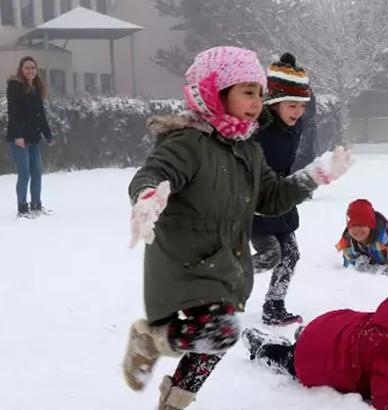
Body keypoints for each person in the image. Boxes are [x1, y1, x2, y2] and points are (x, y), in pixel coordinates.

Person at [120, 46, 350, 410]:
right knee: (222, 332)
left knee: (216, 343)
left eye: (260, 93)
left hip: (226, 265)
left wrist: (313, 176)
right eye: (247, 92)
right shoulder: (188, 142)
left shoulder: (248, 151)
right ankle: (152, 340)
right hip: (188, 264)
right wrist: (148, 197)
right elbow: (154, 172)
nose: (257, 102)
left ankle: (173, 401)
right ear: (215, 92)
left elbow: (270, 197)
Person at [241, 258, 388, 410]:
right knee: (290, 359)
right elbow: (387, 400)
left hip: (336, 328)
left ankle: (305, 336)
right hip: (319, 357)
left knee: (321, 340)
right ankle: (263, 347)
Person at [251, 52, 312, 326]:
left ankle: (274, 305)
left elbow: (307, 103)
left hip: (282, 198)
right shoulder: (259, 126)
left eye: (302, 105)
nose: (298, 112)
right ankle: (224, 280)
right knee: (269, 255)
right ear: (274, 103)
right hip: (256, 203)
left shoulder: (295, 125)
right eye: (292, 105)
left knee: (291, 253)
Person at [5, 56, 54, 218]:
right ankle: (22, 207)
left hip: (33, 137)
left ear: (36, 70)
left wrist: (48, 134)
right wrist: (18, 135)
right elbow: (13, 113)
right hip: (19, 138)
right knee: (24, 173)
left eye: (33, 68)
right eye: (27, 68)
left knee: (37, 172)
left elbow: (40, 115)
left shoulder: (36, 87)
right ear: (21, 69)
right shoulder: (15, 86)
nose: (30, 71)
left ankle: (36, 205)